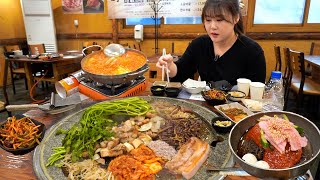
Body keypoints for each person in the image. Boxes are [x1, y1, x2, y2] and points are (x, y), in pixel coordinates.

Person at [157, 0, 266, 85]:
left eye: (219, 20)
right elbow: (181, 73)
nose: (212, 27)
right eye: (208, 20)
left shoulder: (252, 51)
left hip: (237, 112)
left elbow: (256, 93)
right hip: (204, 108)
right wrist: (170, 66)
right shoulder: (199, 45)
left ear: (236, 18)